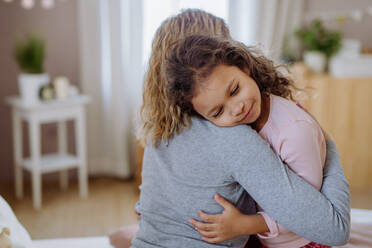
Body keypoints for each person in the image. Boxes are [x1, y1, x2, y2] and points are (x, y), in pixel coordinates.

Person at [109, 9, 350, 248]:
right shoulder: (233, 135)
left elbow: (142, 212)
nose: (234, 108)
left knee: (120, 235)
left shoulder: (158, 129)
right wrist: (328, 145)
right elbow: (334, 229)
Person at [165, 34, 330, 248]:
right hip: (261, 237)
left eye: (234, 90)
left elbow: (307, 212)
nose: (237, 108)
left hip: (299, 242)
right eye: (218, 112)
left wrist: (243, 225)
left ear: (244, 67)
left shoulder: (294, 132)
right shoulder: (232, 131)